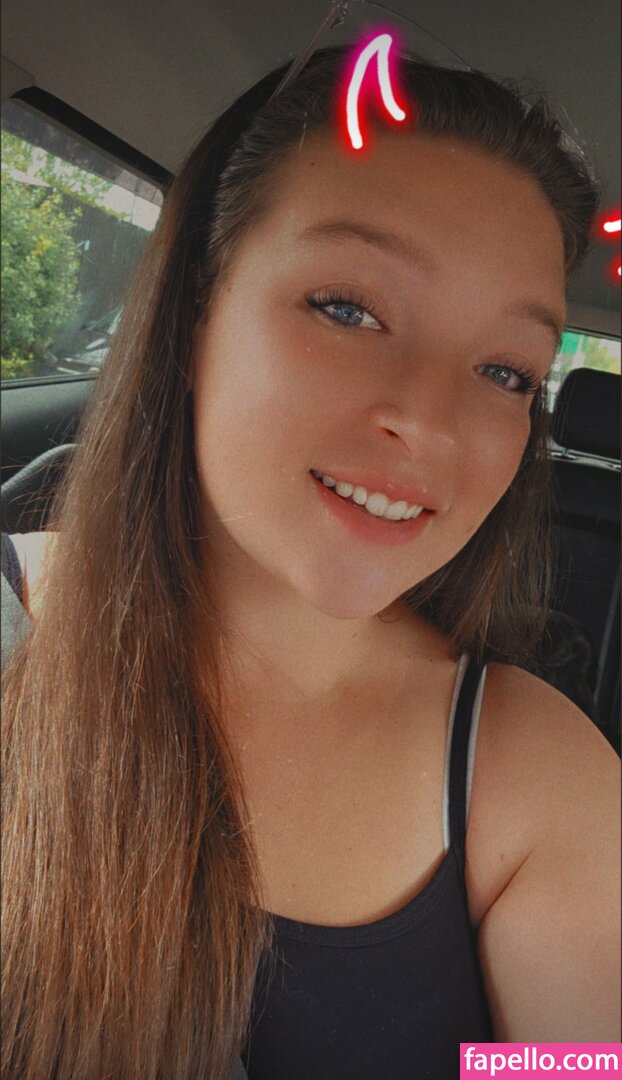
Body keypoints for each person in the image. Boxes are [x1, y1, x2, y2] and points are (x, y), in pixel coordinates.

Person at [1, 42, 620, 1080]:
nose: (430, 423)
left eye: (506, 371)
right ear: (193, 315)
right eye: (347, 309)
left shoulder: (542, 779)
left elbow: (577, 1066)